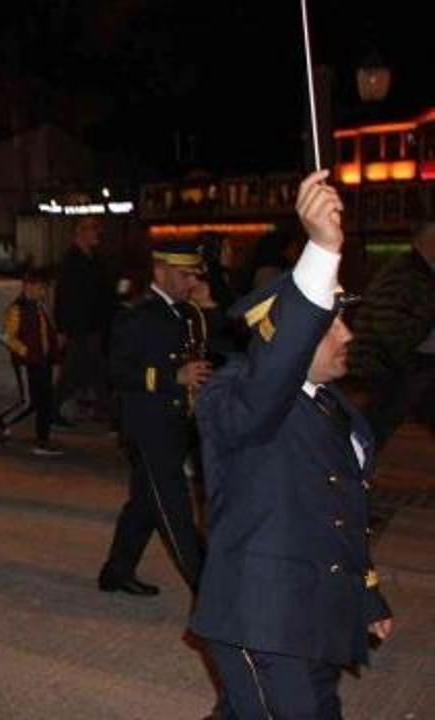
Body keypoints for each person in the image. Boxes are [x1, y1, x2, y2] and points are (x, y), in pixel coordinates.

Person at [191, 170, 395, 718]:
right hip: (260, 620)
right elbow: (269, 382)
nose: (347, 336)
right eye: (331, 325)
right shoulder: (231, 397)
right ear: (289, 334)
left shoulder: (339, 410)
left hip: (317, 616)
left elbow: (343, 513)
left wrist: (366, 593)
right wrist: (322, 251)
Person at [98, 239, 215, 596]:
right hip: (147, 428)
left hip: (174, 424)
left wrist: (210, 308)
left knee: (144, 506)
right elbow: (118, 372)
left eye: (194, 275)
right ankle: (213, 590)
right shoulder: (137, 314)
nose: (191, 282)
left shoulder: (184, 312)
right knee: (175, 508)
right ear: (160, 271)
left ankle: (116, 572)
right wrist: (170, 378)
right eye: (183, 275)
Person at [349, 222, 435, 450]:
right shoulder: (405, 272)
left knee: (377, 423)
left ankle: (345, 466)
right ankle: (343, 467)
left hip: (401, 364)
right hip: (391, 364)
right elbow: (389, 324)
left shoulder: (418, 271)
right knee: (376, 424)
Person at [52, 216, 117, 426]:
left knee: (95, 369)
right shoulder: (72, 260)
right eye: (92, 230)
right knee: (76, 371)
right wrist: (62, 328)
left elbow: (103, 289)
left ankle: (106, 412)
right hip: (80, 326)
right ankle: (52, 409)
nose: (97, 234)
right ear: (81, 233)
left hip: (94, 324)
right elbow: (63, 296)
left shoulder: (94, 258)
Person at [0, 269, 63, 456]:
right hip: (26, 362)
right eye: (40, 288)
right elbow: (9, 337)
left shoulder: (39, 307)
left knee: (45, 401)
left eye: (44, 288)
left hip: (41, 361)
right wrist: (27, 352)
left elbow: (47, 333)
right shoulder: (17, 309)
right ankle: (1, 423)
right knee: (29, 402)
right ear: (28, 286)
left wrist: (53, 355)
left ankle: (42, 440)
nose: (43, 292)